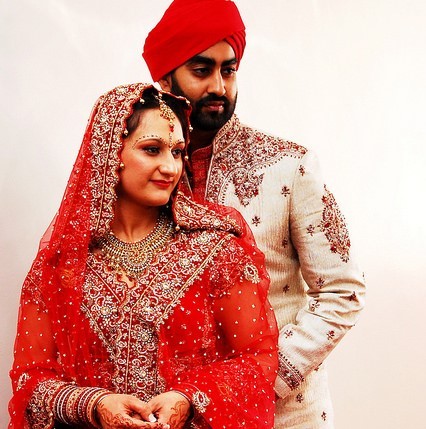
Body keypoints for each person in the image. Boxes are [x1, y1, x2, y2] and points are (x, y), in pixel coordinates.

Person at [142, 0, 366, 427]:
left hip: (284, 413)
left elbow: (343, 291)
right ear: (166, 76)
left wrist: (252, 382)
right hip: (173, 414)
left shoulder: (290, 165)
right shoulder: (142, 171)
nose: (219, 87)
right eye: (201, 70)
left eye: (229, 70)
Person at [8, 83, 279, 429]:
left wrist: (188, 398)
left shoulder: (217, 250)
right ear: (110, 155)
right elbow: (30, 379)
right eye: (152, 150)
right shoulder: (65, 264)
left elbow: (257, 360)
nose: (170, 167)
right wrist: (94, 404)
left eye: (177, 152)